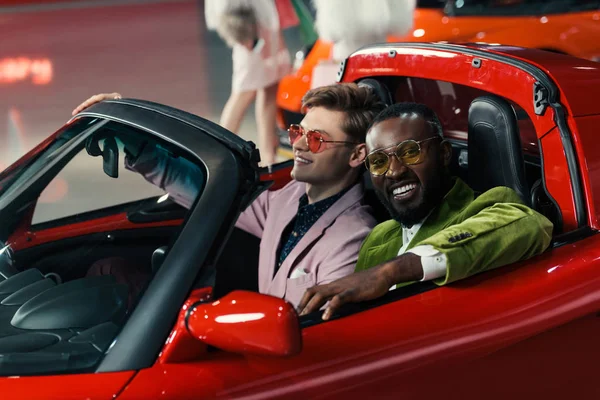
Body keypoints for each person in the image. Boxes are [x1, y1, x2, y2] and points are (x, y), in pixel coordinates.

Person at [72, 83, 385, 307]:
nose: (299, 145)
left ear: (357, 155)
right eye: (297, 132)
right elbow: (208, 189)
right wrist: (138, 142)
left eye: (317, 139)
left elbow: (320, 337)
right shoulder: (291, 198)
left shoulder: (352, 240)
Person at [297, 102, 554, 320]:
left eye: (410, 152)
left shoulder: (486, 207)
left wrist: (389, 272)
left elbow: (532, 224)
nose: (395, 171)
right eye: (379, 161)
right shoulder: (378, 237)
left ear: (443, 154)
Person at [205, 0, 292, 166]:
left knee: (270, 87)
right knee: (244, 90)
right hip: (246, 18)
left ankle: (268, 156)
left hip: (262, 17)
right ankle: (219, 152)